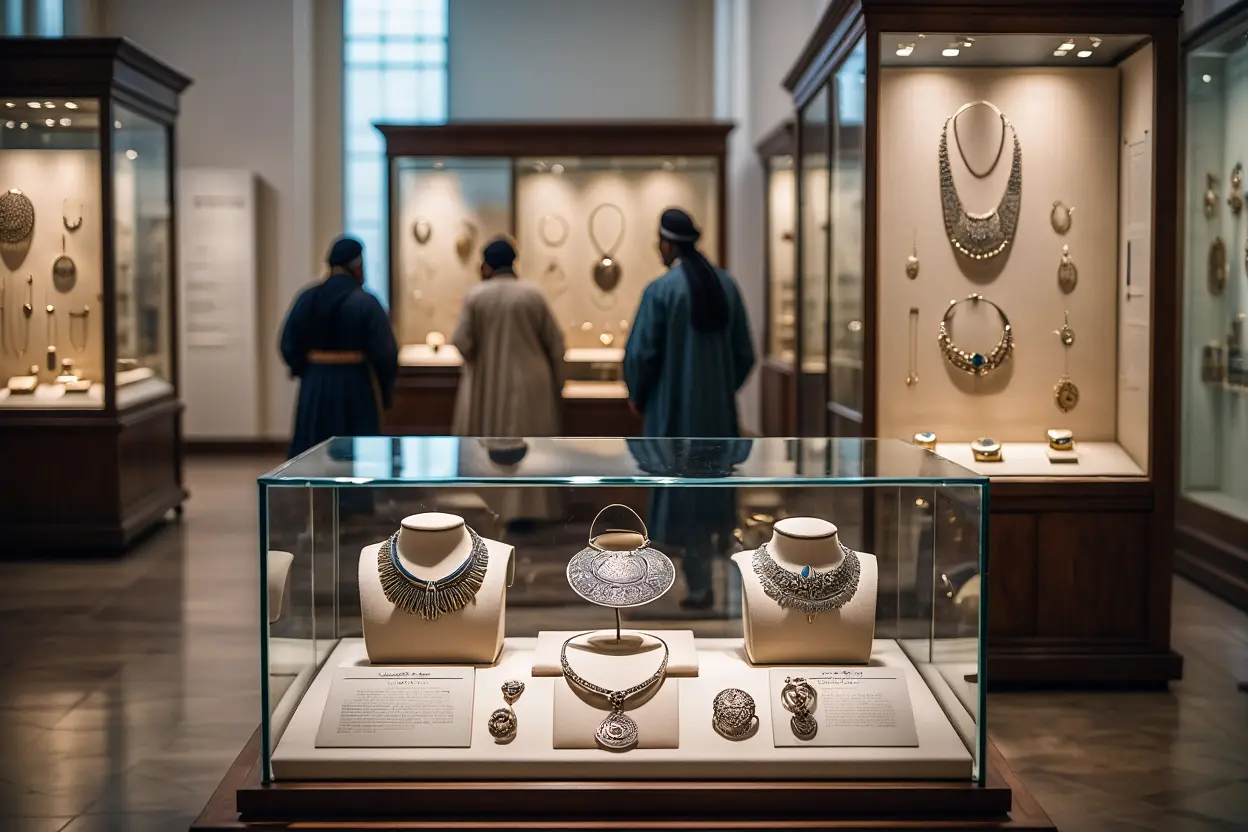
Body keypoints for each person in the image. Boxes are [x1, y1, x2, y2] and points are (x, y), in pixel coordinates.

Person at [624, 208, 756, 609]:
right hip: (717, 415)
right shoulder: (726, 285)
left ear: (667, 243)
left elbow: (642, 355)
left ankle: (683, 583)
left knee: (675, 489)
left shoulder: (661, 290)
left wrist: (640, 395)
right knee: (710, 491)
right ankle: (703, 581)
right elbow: (745, 354)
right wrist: (716, 388)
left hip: (672, 414)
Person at [280, 236, 398, 459]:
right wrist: (385, 390)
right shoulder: (366, 302)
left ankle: (313, 494)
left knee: (312, 454)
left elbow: (287, 343)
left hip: (315, 384)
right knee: (356, 455)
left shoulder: (308, 298)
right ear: (357, 267)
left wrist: (304, 367)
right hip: (356, 385)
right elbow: (386, 353)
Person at [451, 238, 564, 437]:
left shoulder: (476, 296)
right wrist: (558, 382)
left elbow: (462, 341)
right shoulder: (532, 295)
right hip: (529, 385)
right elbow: (556, 344)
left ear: (486, 266)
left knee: (484, 453)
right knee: (531, 449)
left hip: (487, 383)